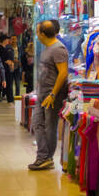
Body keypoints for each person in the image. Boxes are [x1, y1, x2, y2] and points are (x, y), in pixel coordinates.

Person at [28, 20, 68, 170]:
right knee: (37, 123)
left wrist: (53, 94)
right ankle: (43, 156)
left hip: (52, 95)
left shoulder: (58, 49)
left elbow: (63, 73)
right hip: (43, 94)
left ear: (43, 34)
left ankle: (45, 157)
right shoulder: (48, 48)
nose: (36, 34)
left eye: (37, 31)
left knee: (49, 127)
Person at [0, 35, 17, 103]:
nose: (8, 41)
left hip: (6, 68)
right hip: (3, 68)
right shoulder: (0, 48)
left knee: (7, 83)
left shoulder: (5, 48)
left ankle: (8, 98)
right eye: (7, 39)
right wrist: (7, 62)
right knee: (6, 83)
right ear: (4, 40)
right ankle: (8, 98)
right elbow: (1, 59)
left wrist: (9, 61)